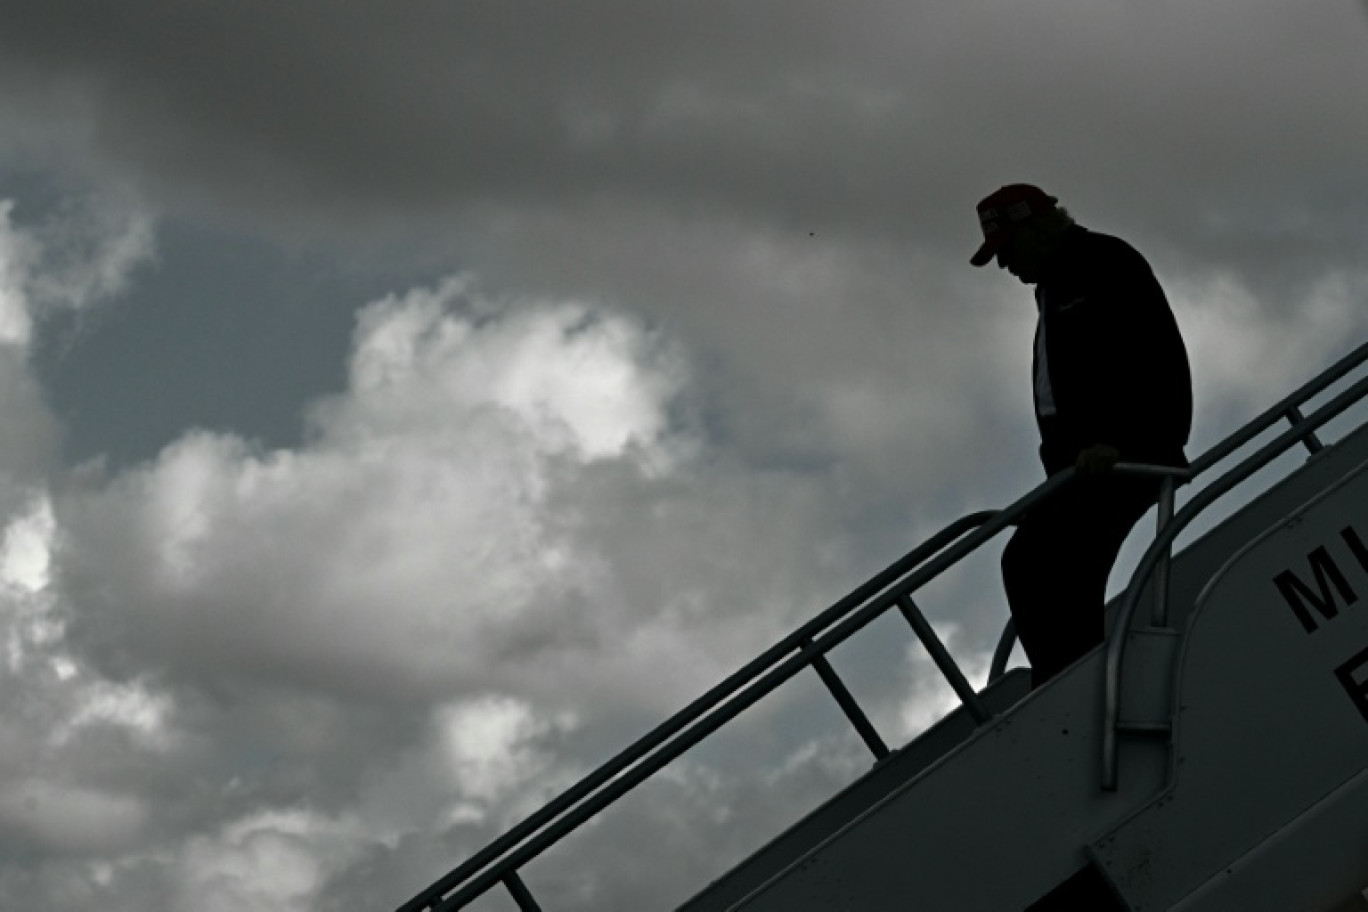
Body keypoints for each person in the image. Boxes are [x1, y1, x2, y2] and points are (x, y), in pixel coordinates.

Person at [970, 184, 1192, 688]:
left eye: (1007, 248)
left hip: (1127, 458)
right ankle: (1073, 681)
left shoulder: (1102, 262)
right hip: (1088, 469)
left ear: (1038, 229)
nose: (1005, 264)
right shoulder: (1055, 284)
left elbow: (1151, 360)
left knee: (1035, 562)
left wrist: (1122, 442)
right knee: (1042, 564)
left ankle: (1068, 687)